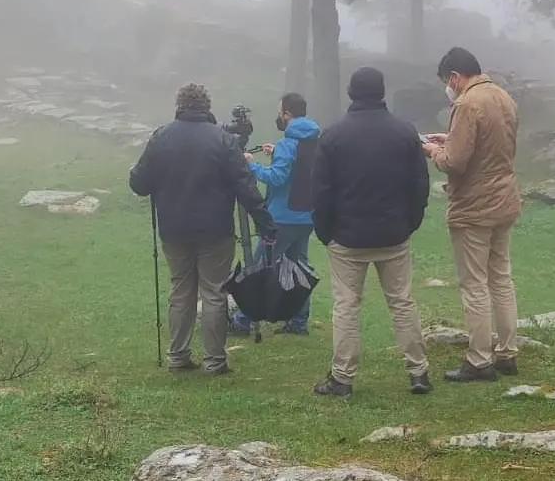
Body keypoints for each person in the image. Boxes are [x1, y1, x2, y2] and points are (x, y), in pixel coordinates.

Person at [130, 83, 274, 375]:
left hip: (173, 230)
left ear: (179, 105)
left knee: (181, 290)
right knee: (214, 292)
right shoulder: (222, 139)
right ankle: (214, 361)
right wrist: (264, 221)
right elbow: (244, 184)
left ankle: (178, 355)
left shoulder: (161, 137)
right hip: (215, 230)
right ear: (206, 107)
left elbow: (138, 184)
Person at [309, 66, 432, 398]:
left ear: (350, 92)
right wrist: (411, 222)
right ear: (382, 93)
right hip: (394, 232)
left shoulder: (333, 135)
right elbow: (420, 184)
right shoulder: (405, 133)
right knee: (402, 303)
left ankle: (343, 378)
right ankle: (418, 372)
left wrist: (325, 231)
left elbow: (321, 190)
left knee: (346, 306)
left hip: (347, 237)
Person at [423, 47, 521, 383]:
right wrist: (451, 139)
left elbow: (455, 163)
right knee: (501, 278)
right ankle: (507, 352)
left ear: (454, 77)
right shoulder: (503, 97)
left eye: (446, 82)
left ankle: (479, 359)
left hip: (474, 208)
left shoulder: (465, 103)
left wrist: (434, 149)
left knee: (475, 284)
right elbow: (492, 144)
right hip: (505, 200)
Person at [231, 93, 320, 336]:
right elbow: (298, 170)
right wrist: (276, 155)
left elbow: (278, 177)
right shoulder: (313, 140)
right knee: (299, 267)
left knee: (260, 267)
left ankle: (243, 320)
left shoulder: (287, 144)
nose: (278, 116)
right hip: (306, 216)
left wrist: (251, 164)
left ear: (287, 114)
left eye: (280, 112)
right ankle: (299, 322)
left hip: (281, 218)